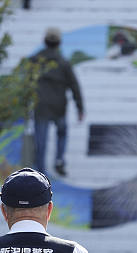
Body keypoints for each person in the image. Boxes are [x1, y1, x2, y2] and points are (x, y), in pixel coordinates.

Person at [29, 28, 84, 177]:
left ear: (44, 42)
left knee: (41, 142)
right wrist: (80, 108)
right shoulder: (63, 63)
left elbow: (26, 84)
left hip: (40, 107)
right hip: (59, 107)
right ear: (59, 43)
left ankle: (40, 173)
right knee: (62, 133)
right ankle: (59, 160)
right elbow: (74, 86)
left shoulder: (34, 60)